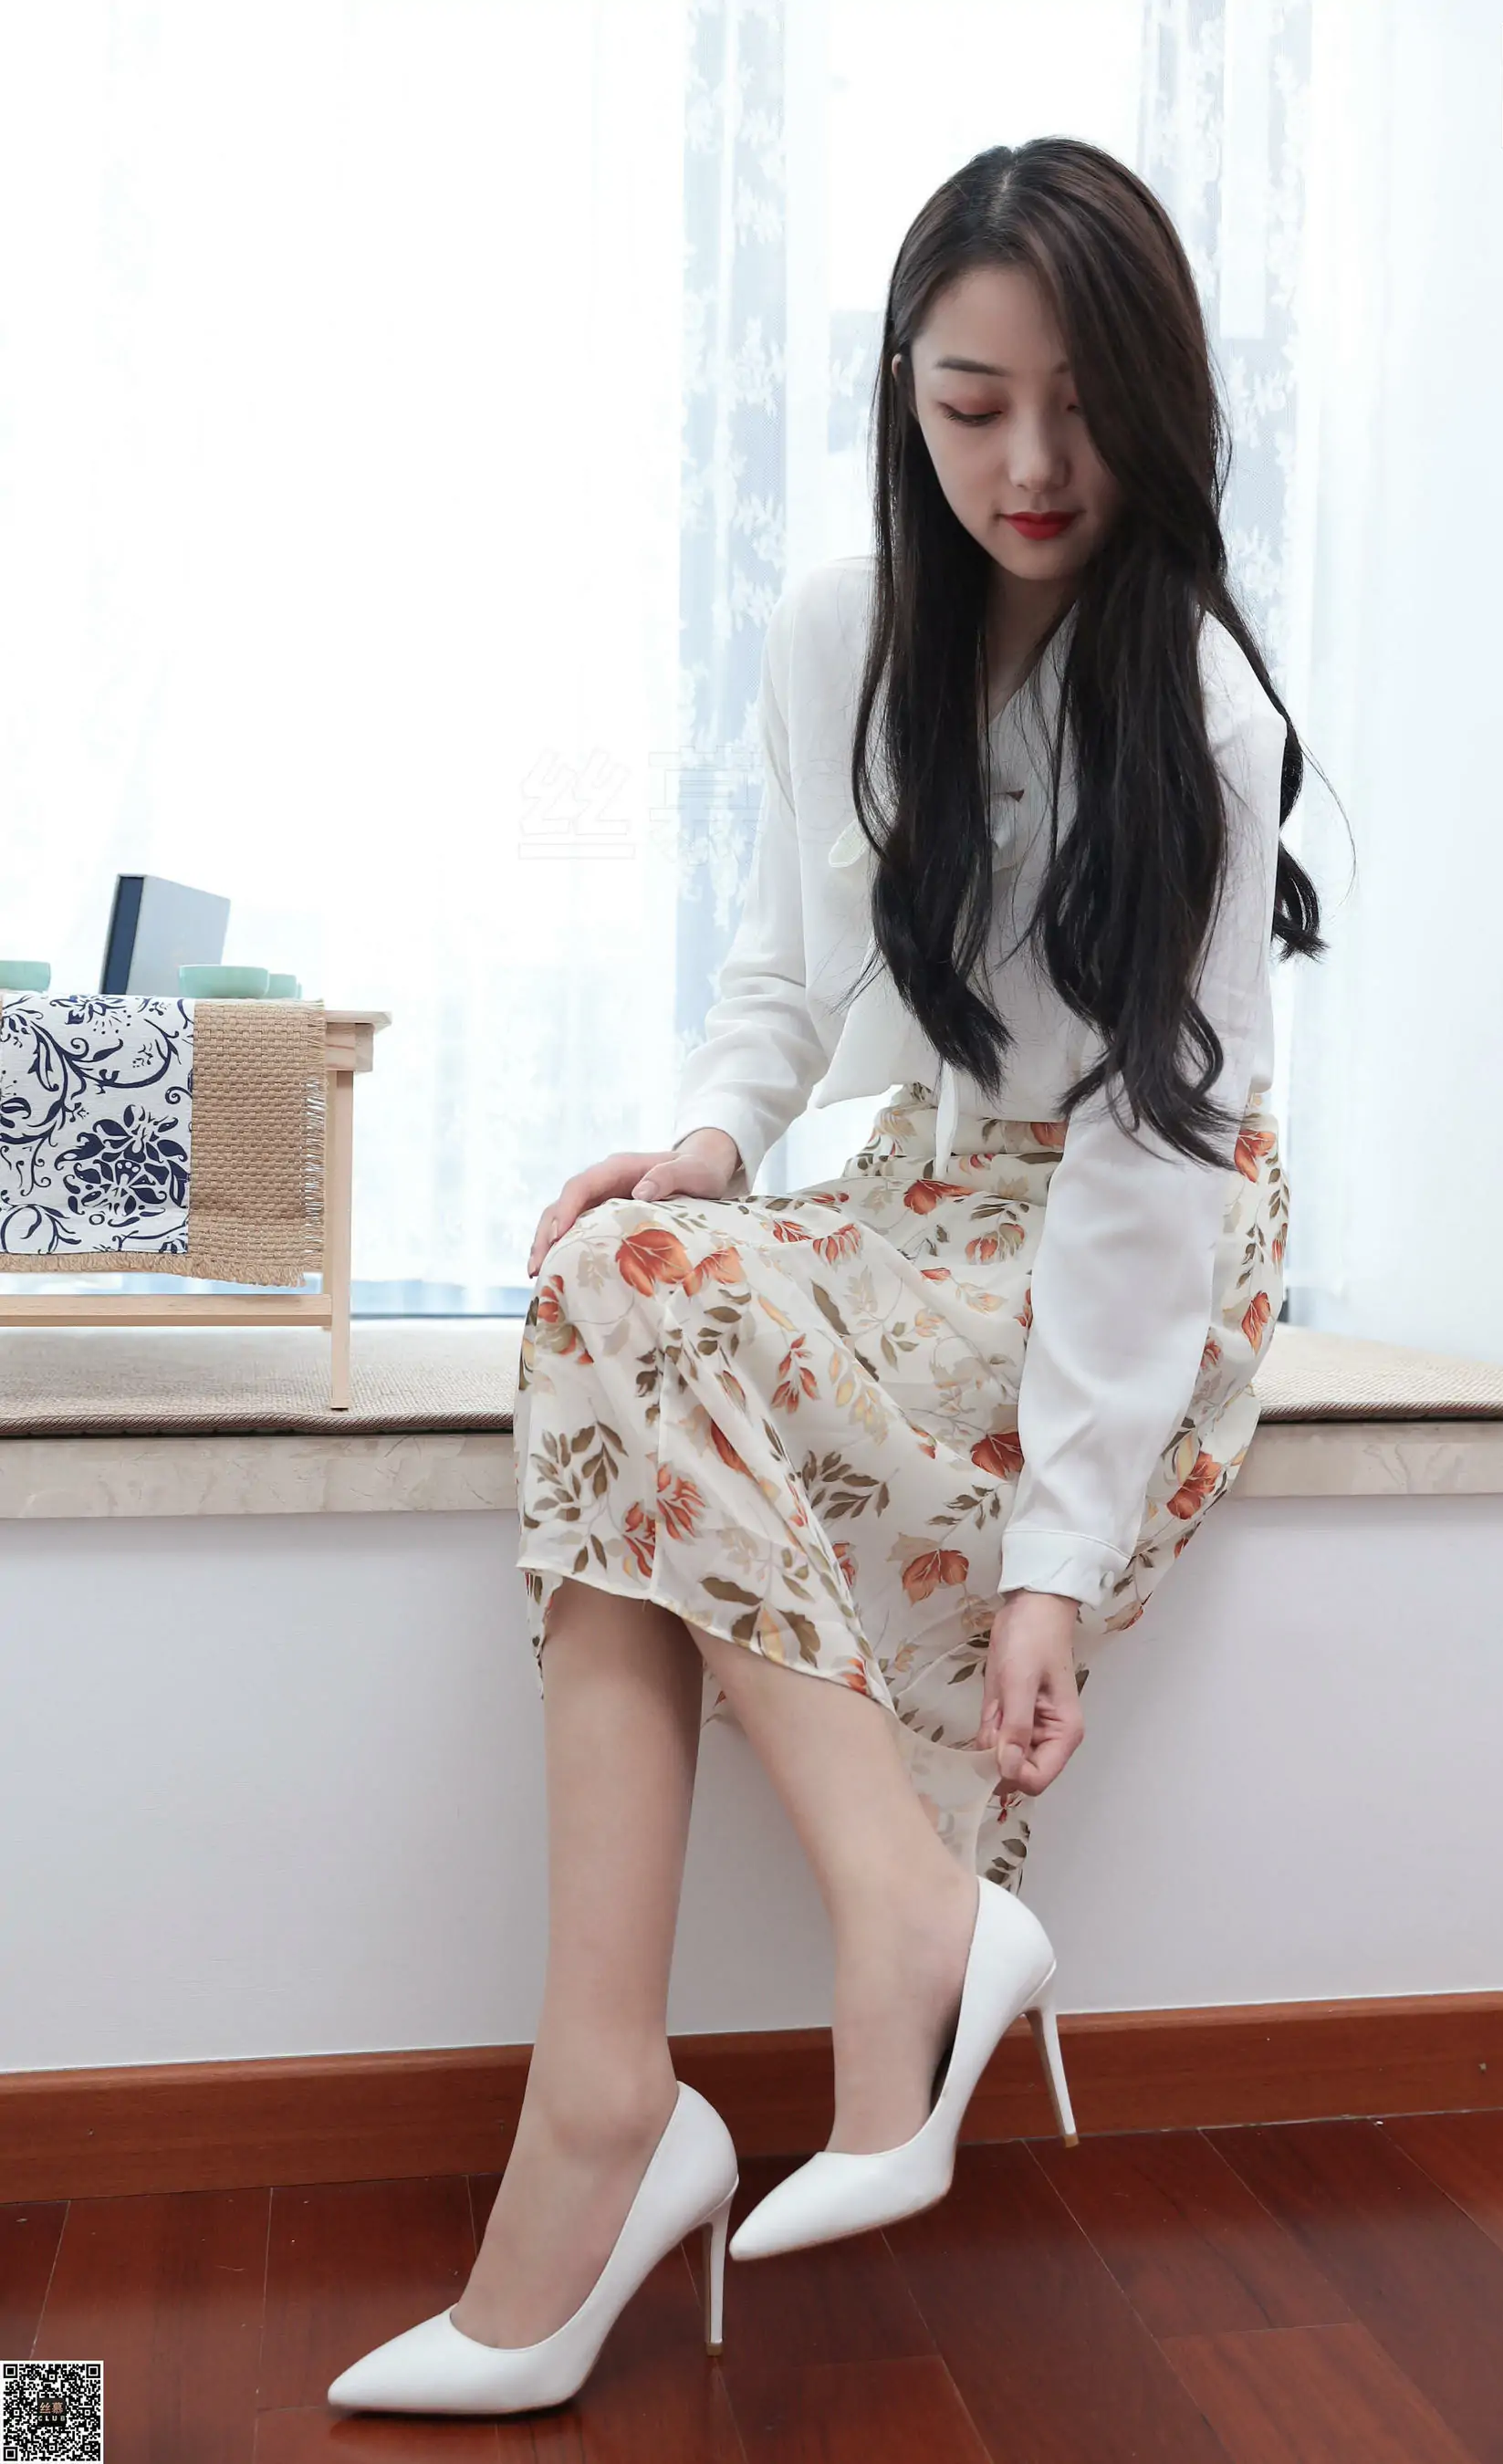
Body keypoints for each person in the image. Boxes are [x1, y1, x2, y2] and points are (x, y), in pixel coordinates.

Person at [329, 133, 1328, 2420]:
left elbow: (1155, 1166)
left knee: (627, 1310)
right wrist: (704, 1143)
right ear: (906, 394)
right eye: (972, 406)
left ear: (1161, 407)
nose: (1031, 466)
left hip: (1134, 1242)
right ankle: (793, 1988)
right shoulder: (832, 629)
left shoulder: (1202, 709)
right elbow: (782, 978)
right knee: (621, 1266)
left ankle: (623, 2113)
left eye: (1080, 409)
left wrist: (1058, 1558)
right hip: (911, 1202)